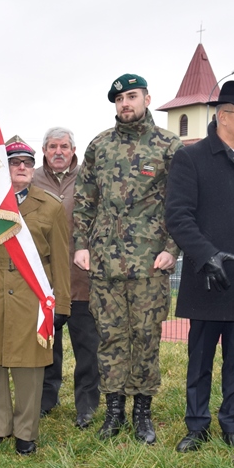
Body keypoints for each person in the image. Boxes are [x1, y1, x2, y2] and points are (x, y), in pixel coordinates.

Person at [165, 81, 234, 452]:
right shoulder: (191, 158)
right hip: (208, 279)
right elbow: (179, 217)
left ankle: (232, 423)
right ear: (223, 115)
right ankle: (196, 425)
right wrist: (206, 254)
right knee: (200, 359)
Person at [73, 73, 182, 444]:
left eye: (132, 97)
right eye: (119, 99)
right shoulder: (99, 146)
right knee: (110, 337)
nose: (125, 104)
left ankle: (142, 412)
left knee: (146, 337)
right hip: (105, 263)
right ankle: (114, 408)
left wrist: (172, 249)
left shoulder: (169, 146)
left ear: (147, 99)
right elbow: (85, 200)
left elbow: (180, 204)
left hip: (150, 264)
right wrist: (81, 245)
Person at [0, 137, 71, 454]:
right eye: (15, 163)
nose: (22, 168)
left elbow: (59, 258)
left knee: (30, 364)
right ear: (4, 168)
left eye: (27, 163)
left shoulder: (50, 206)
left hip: (33, 291)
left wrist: (63, 304)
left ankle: (26, 432)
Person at [31, 127, 100, 429]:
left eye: (64, 146)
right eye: (52, 146)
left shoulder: (90, 178)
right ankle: (46, 400)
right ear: (44, 150)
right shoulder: (30, 179)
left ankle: (87, 405)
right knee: (46, 345)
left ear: (74, 150)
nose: (58, 152)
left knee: (88, 348)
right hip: (43, 282)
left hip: (84, 280)